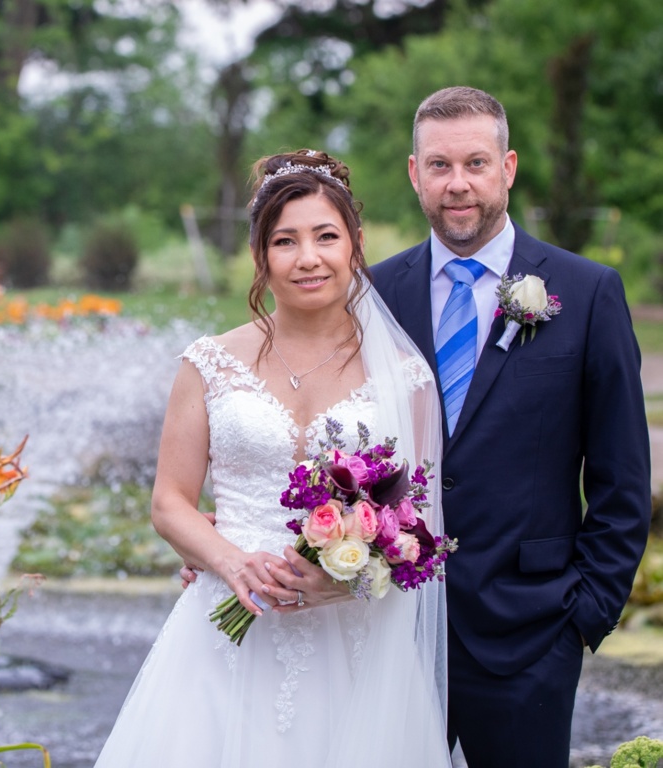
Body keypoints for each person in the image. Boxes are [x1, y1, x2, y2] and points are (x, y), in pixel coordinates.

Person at [92, 149, 452, 767]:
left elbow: (418, 528)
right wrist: (231, 564)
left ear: (355, 244)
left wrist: (348, 579)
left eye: (326, 237)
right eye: (284, 241)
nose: (307, 258)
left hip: (353, 644)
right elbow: (170, 503)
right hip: (225, 628)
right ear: (260, 256)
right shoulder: (208, 363)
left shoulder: (405, 376)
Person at [368, 86, 652, 767]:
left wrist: (585, 614)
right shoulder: (373, 293)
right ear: (414, 174)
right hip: (389, 632)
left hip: (532, 631)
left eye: (475, 163)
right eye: (438, 166)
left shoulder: (586, 294)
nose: (457, 184)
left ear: (509, 167)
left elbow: (622, 475)